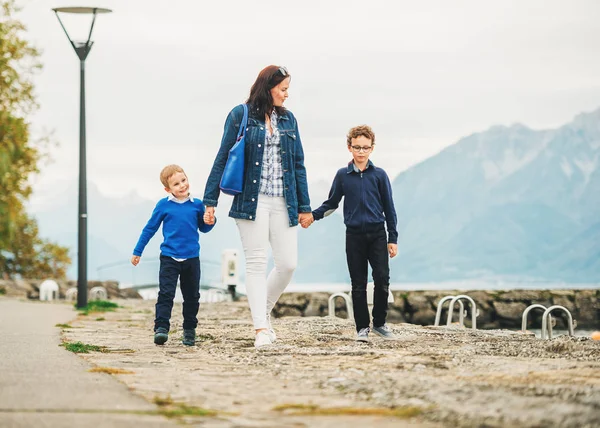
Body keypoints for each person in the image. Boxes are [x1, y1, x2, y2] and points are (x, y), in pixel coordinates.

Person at [203, 65, 311, 349]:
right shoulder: (240, 115)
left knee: (288, 264)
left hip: (284, 201)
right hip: (252, 200)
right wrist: (210, 200)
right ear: (269, 87)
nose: (287, 95)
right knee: (256, 262)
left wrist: (305, 206)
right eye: (283, 89)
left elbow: (298, 164)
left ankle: (262, 310)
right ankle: (261, 328)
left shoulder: (289, 120)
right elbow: (223, 157)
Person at [301, 125, 398, 342]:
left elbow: (389, 208)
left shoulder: (380, 175)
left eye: (365, 147)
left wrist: (393, 238)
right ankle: (362, 328)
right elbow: (332, 203)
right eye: (357, 147)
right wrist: (312, 216)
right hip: (354, 236)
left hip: (377, 234)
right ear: (349, 147)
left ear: (372, 148)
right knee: (358, 283)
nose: (361, 151)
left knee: (382, 279)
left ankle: (380, 324)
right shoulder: (343, 175)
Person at [131, 164, 215, 346]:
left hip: (192, 258)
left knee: (192, 296)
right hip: (169, 257)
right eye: (176, 184)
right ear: (168, 189)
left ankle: (189, 330)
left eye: (183, 180)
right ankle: (161, 328)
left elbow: (204, 228)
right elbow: (149, 229)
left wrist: (211, 220)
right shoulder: (164, 206)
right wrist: (138, 251)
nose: (182, 185)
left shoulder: (197, 205)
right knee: (166, 294)